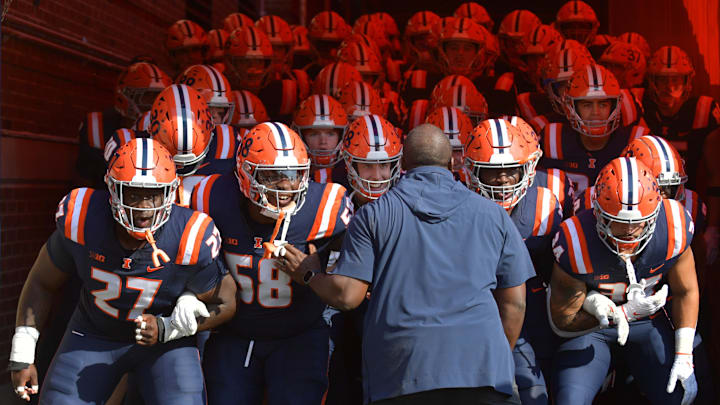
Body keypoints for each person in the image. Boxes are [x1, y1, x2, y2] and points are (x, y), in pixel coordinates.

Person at [279, 124, 533, 404]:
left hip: (403, 372)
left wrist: (308, 274)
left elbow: (347, 296)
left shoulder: (374, 215)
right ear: (451, 164)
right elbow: (514, 304)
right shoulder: (495, 215)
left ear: (403, 164)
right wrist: (494, 357)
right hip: (484, 371)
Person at [9, 138, 237, 404]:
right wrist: (22, 352)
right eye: (132, 192)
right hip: (94, 335)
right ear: (112, 189)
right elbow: (42, 282)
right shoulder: (84, 218)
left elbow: (228, 302)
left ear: (170, 192)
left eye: (153, 194)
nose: (143, 207)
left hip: (166, 347)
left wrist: (172, 327)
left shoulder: (188, 234)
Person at [190, 122, 351, 405]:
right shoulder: (210, 197)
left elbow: (358, 266)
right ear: (244, 174)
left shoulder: (326, 205)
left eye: (295, 174)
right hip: (235, 334)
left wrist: (318, 273)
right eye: (273, 175)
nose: (287, 184)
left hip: (299, 334)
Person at [548, 157, 699, 404]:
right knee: (570, 399)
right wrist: (622, 313)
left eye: (638, 222)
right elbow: (563, 320)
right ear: (597, 210)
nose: (629, 230)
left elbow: (686, 291)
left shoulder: (674, 225)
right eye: (618, 221)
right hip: (594, 331)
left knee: (677, 395)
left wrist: (684, 354)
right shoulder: (575, 239)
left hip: (648, 324)